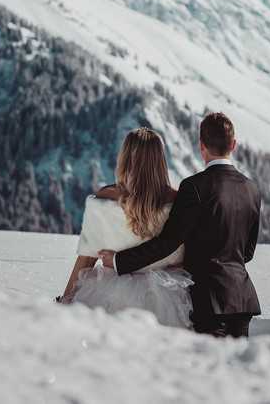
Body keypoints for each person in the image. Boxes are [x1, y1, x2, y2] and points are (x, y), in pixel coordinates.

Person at [99, 112, 261, 338]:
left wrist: (118, 260)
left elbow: (168, 243)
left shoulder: (194, 186)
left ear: (201, 146)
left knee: (210, 368)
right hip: (243, 300)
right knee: (238, 371)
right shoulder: (252, 188)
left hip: (207, 300)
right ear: (233, 145)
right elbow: (248, 252)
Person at [56, 127, 193, 328]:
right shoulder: (178, 200)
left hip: (109, 291)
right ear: (160, 161)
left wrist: (67, 299)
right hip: (166, 295)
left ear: (125, 157)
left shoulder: (105, 197)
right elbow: (182, 256)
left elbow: (87, 256)